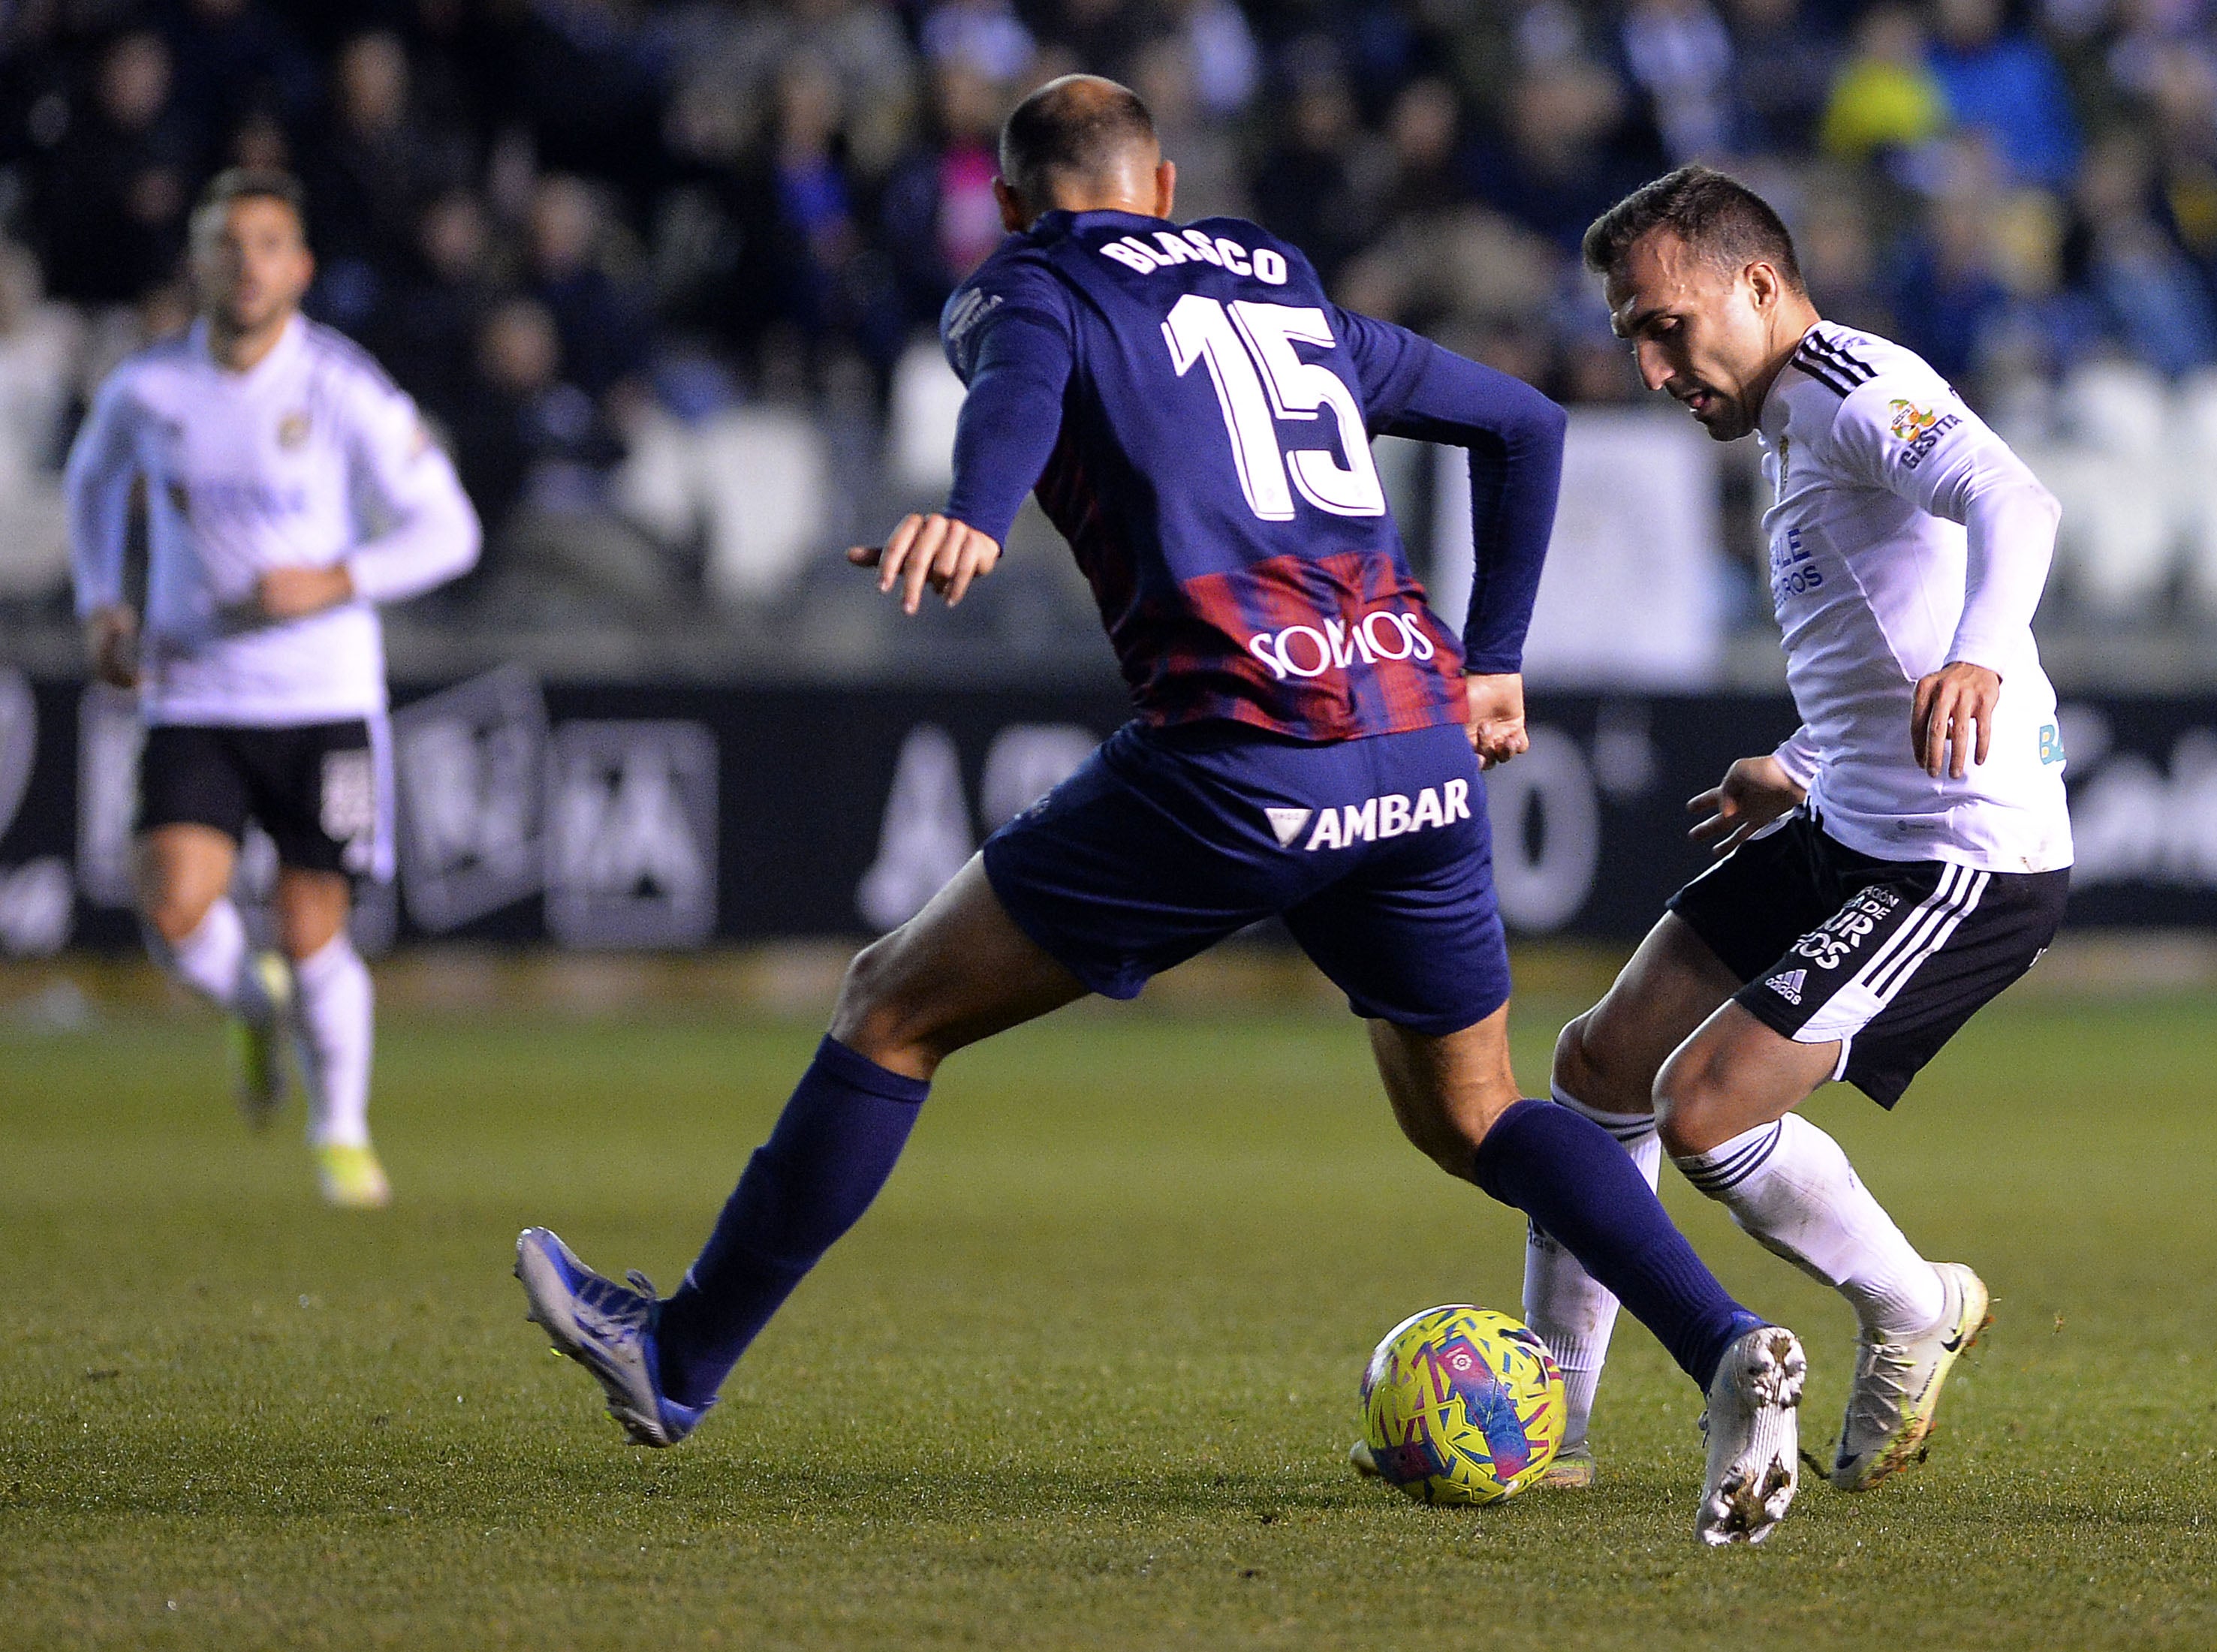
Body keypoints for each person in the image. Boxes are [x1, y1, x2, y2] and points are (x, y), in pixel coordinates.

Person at [514, 79, 1808, 1547]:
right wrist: (1492, 656)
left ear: (1010, 203)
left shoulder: (1033, 279)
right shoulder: (1284, 289)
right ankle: (1722, 1346)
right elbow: (1519, 423)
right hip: (1412, 742)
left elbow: (1014, 384)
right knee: (1478, 1112)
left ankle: (675, 1361)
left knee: (890, 1009)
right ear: (1166, 183)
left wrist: (976, 510)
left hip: (1245, 750)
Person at [1525, 164, 2069, 1494]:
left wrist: (1983, 659)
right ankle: (1550, 1430)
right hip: (1848, 815)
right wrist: (1803, 758)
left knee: (1701, 1111)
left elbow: (2015, 502)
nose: (1653, 366)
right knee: (1598, 1062)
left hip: (1957, 849)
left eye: (1666, 326)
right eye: (1630, 338)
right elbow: (1883, 622)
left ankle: (1910, 1304)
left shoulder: (1845, 387)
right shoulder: (1783, 421)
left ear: (1756, 285)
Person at [66, 168, 481, 1208]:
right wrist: (100, 605)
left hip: (322, 697)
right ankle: (254, 1006)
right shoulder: (149, 388)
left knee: (312, 931)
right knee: (174, 910)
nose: (246, 264)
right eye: (226, 243)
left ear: (297, 268)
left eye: (266, 245)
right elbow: (89, 480)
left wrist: (337, 580)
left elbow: (450, 529)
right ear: (198, 263)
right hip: (196, 690)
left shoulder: (342, 386)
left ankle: (339, 1132)